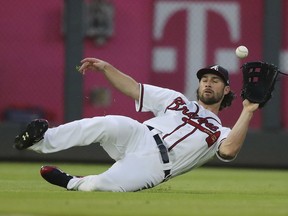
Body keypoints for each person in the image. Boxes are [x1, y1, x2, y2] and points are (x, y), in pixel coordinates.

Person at [14, 57, 259, 192]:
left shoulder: (220, 131)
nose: (207, 83)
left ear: (226, 90)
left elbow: (228, 151)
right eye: (204, 79)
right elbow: (134, 88)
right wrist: (107, 68)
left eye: (215, 81)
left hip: (155, 166)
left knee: (102, 187)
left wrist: (247, 111)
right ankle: (41, 141)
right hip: (140, 135)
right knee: (107, 123)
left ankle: (73, 182)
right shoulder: (177, 100)